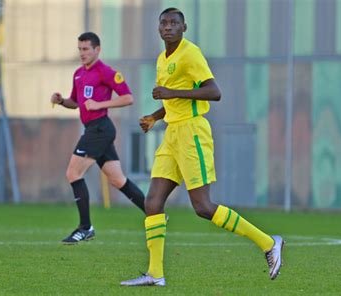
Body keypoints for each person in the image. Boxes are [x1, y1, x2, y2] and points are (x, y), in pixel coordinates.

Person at [120, 8, 284, 287]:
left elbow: (213, 91)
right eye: (164, 23)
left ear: (184, 27)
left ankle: (269, 243)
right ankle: (155, 273)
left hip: (193, 132)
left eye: (174, 23)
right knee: (153, 202)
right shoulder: (163, 59)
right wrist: (155, 116)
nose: (168, 27)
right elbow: (173, 101)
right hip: (172, 133)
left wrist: (171, 93)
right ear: (158, 28)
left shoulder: (190, 53)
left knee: (203, 207)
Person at [50, 32, 146, 244]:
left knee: (73, 173)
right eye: (80, 49)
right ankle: (155, 214)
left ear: (97, 49)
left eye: (86, 49)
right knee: (117, 180)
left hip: (100, 129)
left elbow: (128, 98)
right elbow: (76, 102)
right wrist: (61, 100)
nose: (82, 53)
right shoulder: (78, 74)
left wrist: (99, 104)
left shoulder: (106, 72)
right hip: (93, 129)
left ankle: (85, 227)